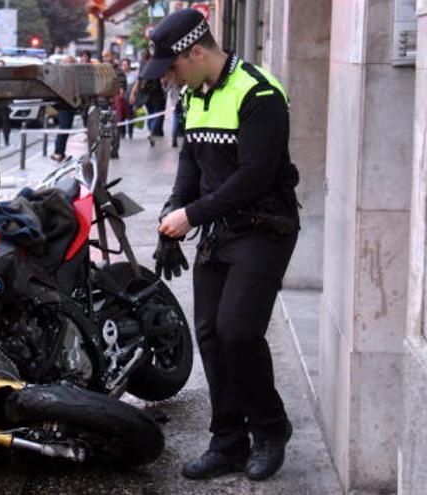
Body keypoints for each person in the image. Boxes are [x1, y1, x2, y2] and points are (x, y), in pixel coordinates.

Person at [145, 8, 300, 482]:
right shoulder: (195, 95)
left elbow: (253, 176)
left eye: (172, 67)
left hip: (264, 227)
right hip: (220, 231)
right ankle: (228, 441)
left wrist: (191, 215)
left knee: (238, 332)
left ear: (196, 52)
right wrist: (170, 220)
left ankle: (271, 429)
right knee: (211, 336)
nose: (169, 78)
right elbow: (190, 169)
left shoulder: (259, 92)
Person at [51, 55, 77, 161]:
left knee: (66, 128)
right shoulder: (59, 75)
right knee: (64, 127)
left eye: (71, 62)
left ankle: (61, 152)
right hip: (63, 105)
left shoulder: (73, 75)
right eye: (67, 62)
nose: (69, 64)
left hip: (70, 105)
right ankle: (58, 152)